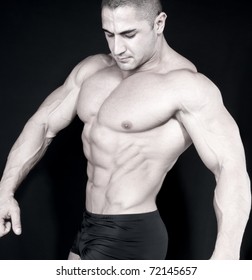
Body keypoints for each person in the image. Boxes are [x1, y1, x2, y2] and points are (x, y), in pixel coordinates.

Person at [0, 0, 251, 260]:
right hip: (88, 227)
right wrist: (4, 191)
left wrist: (227, 254)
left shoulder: (186, 86)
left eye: (129, 34)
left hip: (130, 233)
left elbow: (229, 167)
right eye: (109, 34)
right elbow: (43, 124)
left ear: (159, 23)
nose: (117, 48)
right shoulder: (92, 70)